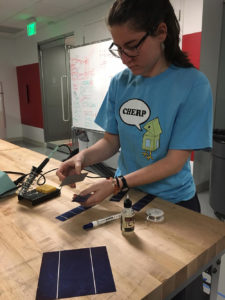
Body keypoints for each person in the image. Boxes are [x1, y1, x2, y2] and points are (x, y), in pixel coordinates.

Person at [57, 1, 212, 298]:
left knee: (176, 288)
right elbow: (111, 142)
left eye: (132, 46)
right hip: (127, 198)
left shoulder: (193, 85)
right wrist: (81, 157)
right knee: (131, 284)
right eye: (118, 48)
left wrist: (115, 183)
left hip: (174, 205)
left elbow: (174, 162)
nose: (125, 58)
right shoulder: (121, 82)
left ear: (161, 31)